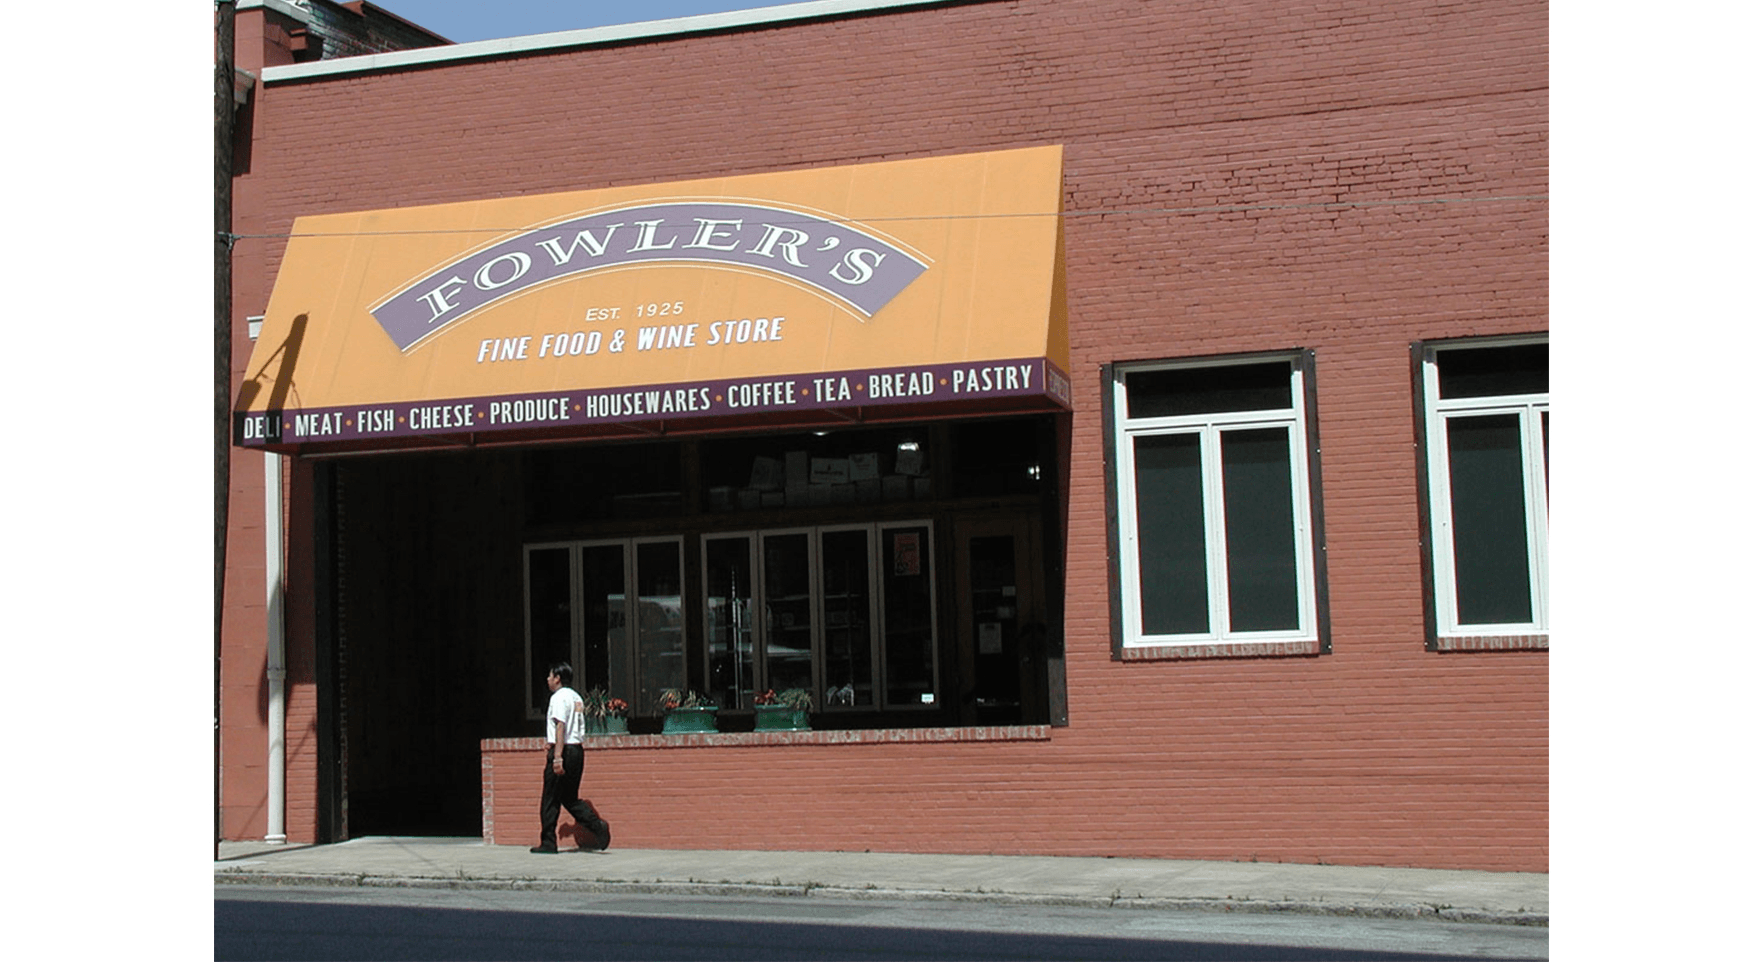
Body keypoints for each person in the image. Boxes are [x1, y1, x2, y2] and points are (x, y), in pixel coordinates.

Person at [531, 662, 612, 853]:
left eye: (550, 676)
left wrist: (557, 756)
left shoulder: (558, 698)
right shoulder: (576, 697)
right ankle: (597, 827)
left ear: (558, 678)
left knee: (550, 799)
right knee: (569, 797)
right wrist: (551, 743)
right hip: (577, 751)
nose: (548, 680)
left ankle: (548, 842)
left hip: (564, 752)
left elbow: (561, 726)